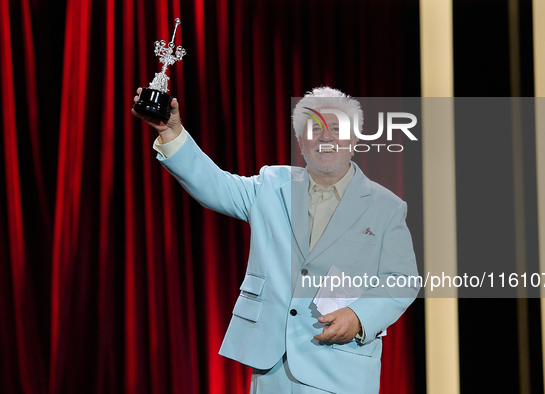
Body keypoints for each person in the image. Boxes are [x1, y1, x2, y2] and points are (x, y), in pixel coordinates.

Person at [132, 86, 419, 393]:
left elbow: (402, 280)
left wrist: (359, 317)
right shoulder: (271, 184)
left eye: (336, 128)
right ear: (300, 140)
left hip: (341, 368)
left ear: (354, 139)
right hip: (273, 368)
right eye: (315, 129)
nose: (326, 137)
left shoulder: (386, 206)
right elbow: (213, 185)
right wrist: (172, 132)